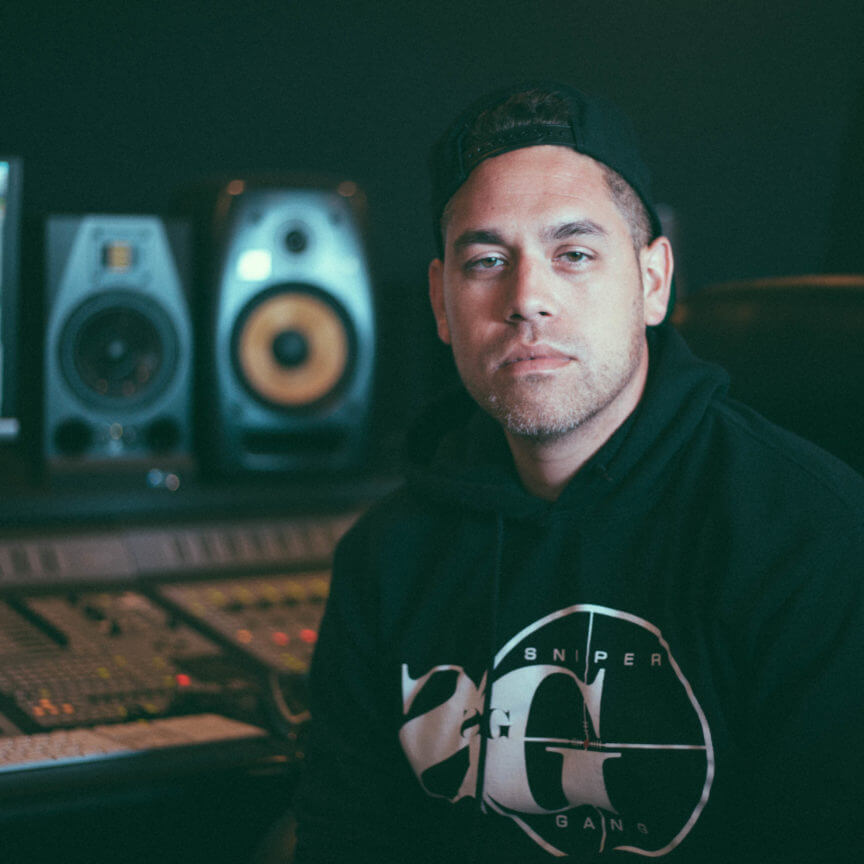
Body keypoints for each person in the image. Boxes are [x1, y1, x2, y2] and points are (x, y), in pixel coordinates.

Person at [293, 82, 864, 863]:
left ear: (654, 282)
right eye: (487, 260)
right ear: (440, 304)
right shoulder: (383, 558)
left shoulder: (815, 540)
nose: (528, 298)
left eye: (574, 254)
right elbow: (345, 837)